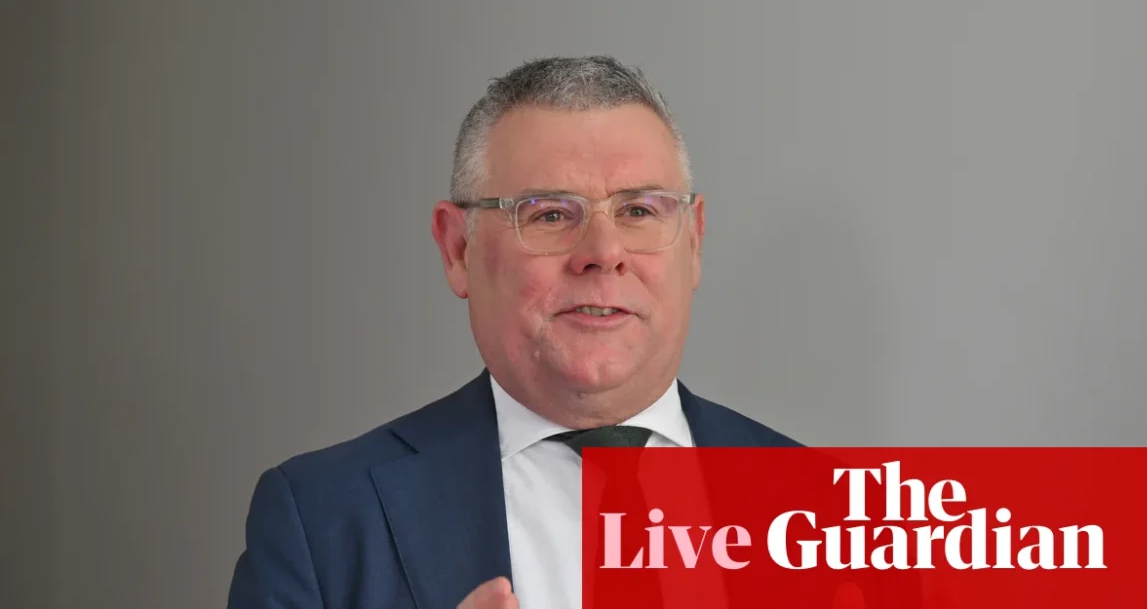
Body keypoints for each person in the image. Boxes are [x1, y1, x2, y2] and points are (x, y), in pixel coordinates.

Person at [225, 55, 804, 609]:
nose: (604, 253)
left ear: (694, 241)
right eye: (549, 214)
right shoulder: (321, 520)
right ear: (458, 249)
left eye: (639, 211)